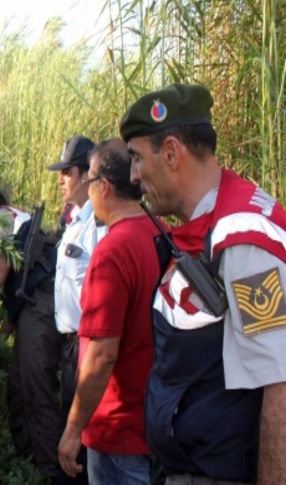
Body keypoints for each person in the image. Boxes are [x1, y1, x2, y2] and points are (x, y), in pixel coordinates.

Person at [123, 83, 286, 484]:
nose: (133, 175)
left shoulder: (243, 237)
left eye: (137, 159)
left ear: (172, 153)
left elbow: (280, 384)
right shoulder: (214, 223)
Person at [57, 138, 160, 483]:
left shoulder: (112, 251)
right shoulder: (160, 234)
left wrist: (73, 430)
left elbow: (101, 356)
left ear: (103, 187)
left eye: (89, 181)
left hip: (117, 428)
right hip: (155, 420)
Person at [0, 186, 65, 481]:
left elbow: (3, 265)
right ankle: (27, 459)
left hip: (41, 304)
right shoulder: (20, 218)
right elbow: (20, 281)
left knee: (36, 389)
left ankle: (51, 472)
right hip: (39, 303)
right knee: (19, 384)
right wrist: (5, 328)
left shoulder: (1, 217)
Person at [47, 135, 106, 484]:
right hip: (70, 348)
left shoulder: (99, 225)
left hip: (89, 349)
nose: (60, 179)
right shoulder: (72, 221)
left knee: (83, 445)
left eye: (66, 172)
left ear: (86, 175)